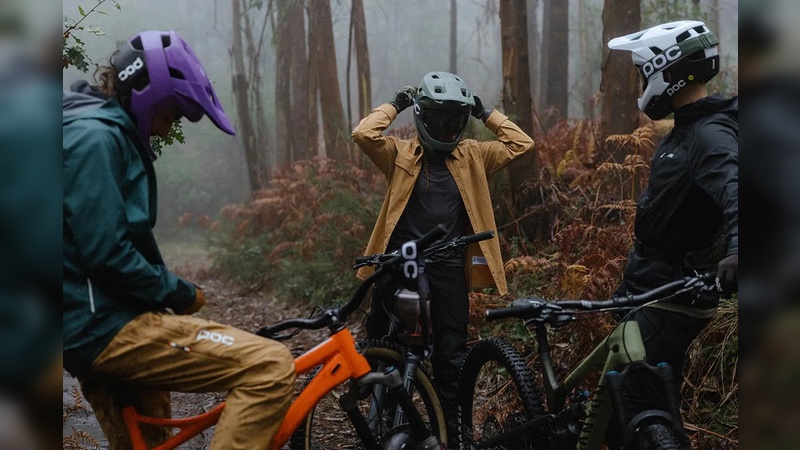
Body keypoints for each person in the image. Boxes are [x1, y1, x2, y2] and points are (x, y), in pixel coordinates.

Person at [63, 30, 295, 449]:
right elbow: (106, 253)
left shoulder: (89, 130)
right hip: (103, 325)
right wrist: (180, 292)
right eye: (168, 115)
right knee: (269, 365)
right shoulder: (96, 139)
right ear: (146, 95)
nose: (167, 129)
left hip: (91, 322)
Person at [352, 71, 535, 448]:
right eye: (437, 119)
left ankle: (454, 432)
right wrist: (397, 104)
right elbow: (363, 134)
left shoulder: (474, 155)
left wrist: (485, 112)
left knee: (451, 356)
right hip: (398, 263)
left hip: (448, 266)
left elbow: (521, 143)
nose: (446, 127)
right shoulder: (400, 153)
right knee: (385, 346)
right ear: (422, 116)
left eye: (454, 120)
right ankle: (383, 420)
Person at [607, 19, 738, 396]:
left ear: (664, 70)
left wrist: (738, 248)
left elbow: (737, 187)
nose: (639, 85)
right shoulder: (687, 129)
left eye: (640, 74)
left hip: (672, 296)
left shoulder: (708, 134)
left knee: (636, 403)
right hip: (649, 285)